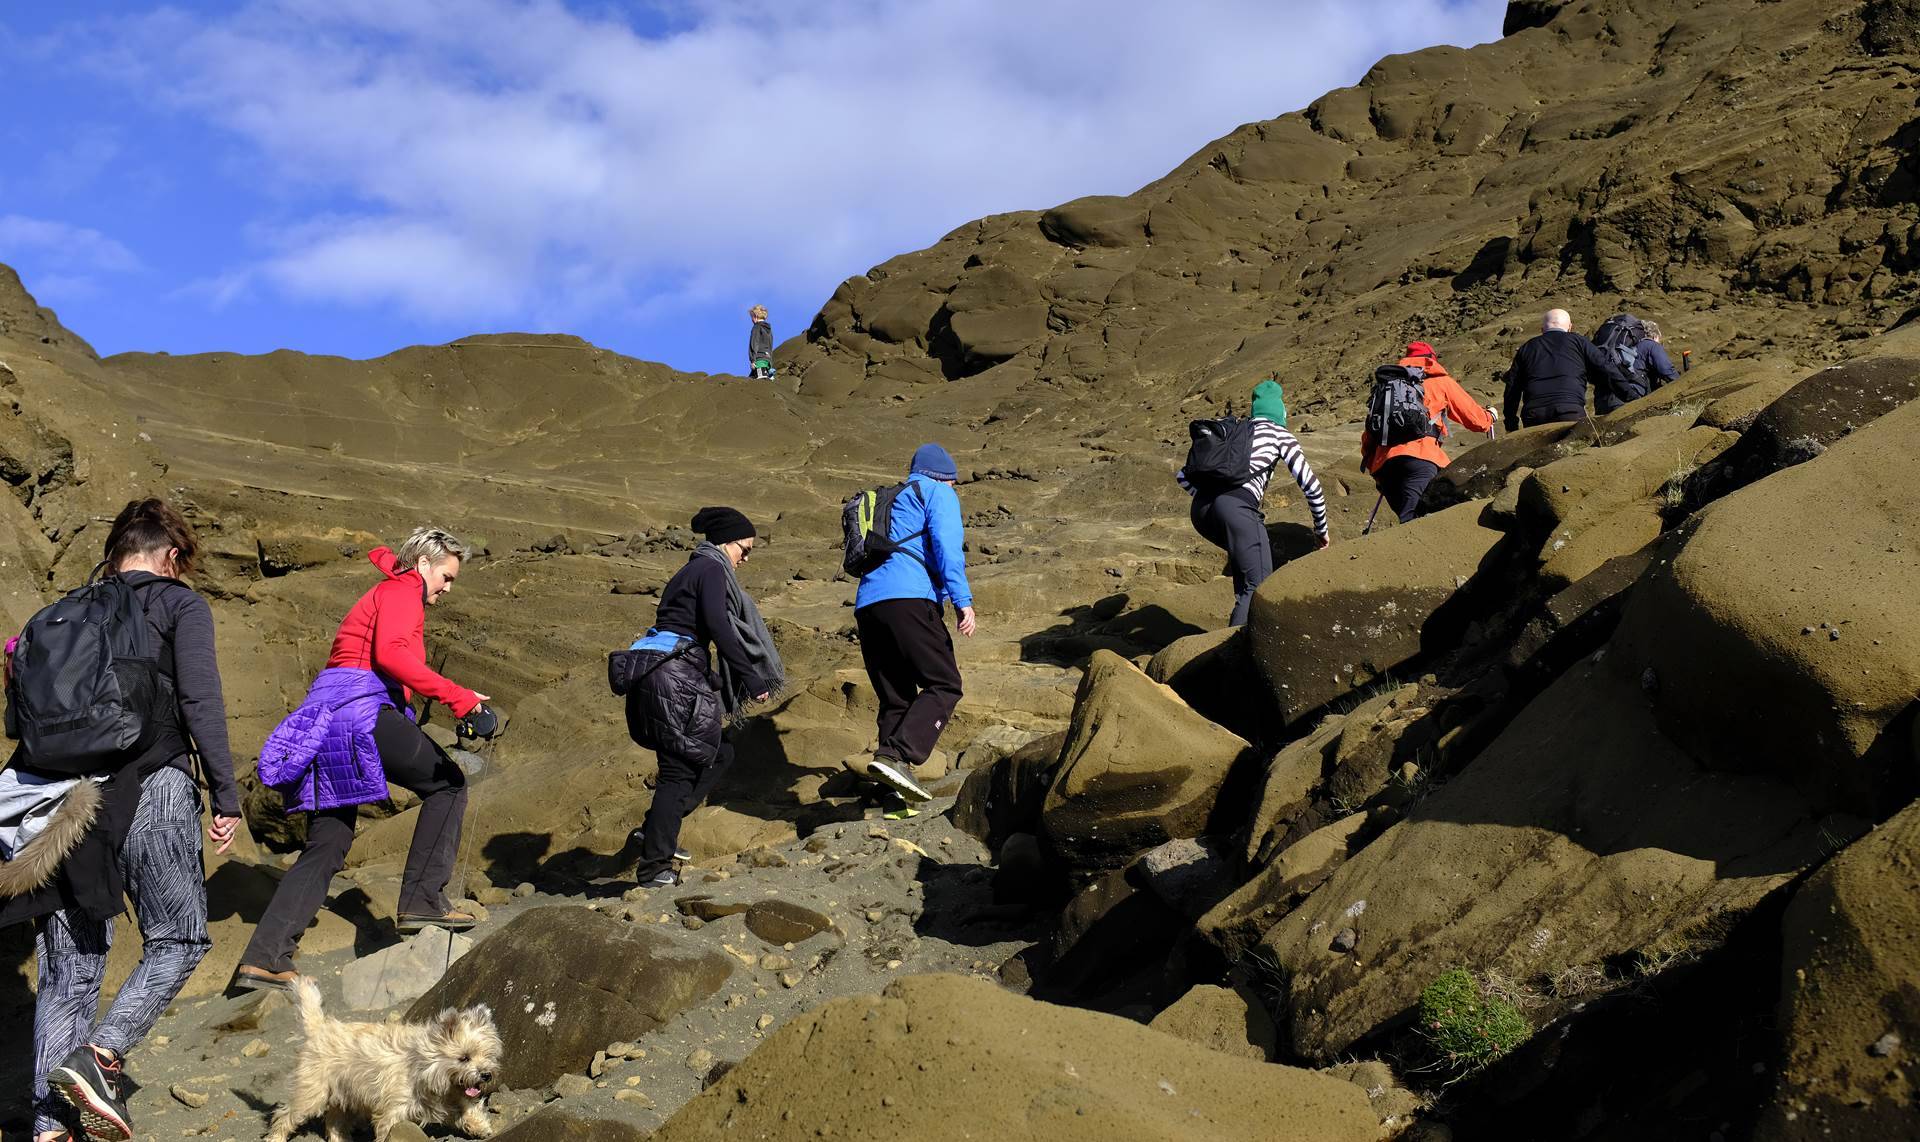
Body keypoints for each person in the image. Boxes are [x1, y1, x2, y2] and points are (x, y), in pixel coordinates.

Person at [14, 498, 242, 1142]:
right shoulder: (179, 605)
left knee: (69, 971)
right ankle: (102, 1055)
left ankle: (49, 1127)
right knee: (180, 938)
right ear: (171, 557)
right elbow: (200, 700)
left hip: (60, 805)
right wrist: (225, 795)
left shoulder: (56, 616)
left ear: (115, 553)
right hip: (153, 788)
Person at [236, 528, 495, 992]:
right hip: (359, 711)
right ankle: (422, 901)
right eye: (447, 577)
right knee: (449, 783)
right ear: (423, 565)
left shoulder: (387, 591)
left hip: (326, 718)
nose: (448, 588)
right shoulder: (401, 591)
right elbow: (391, 655)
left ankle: (265, 958)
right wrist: (461, 700)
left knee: (329, 843)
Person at [624, 507, 783, 888]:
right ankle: (653, 867)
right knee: (679, 771)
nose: (746, 557)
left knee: (719, 753)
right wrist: (751, 676)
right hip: (674, 678)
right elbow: (717, 625)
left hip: (664, 674)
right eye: (744, 549)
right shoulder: (711, 570)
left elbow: (686, 629)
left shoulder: (691, 570)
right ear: (725, 542)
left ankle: (656, 832)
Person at [853, 444, 975, 808]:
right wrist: (962, 601)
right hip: (910, 598)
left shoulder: (893, 497)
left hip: (868, 606)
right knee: (945, 683)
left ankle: (890, 799)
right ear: (947, 476)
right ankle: (896, 757)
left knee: (897, 698)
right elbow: (947, 546)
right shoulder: (938, 492)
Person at [1177, 380, 1330, 627]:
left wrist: (1209, 498)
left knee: (1245, 573)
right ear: (1280, 410)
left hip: (1202, 510)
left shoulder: (1237, 431)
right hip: (1237, 508)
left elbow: (1182, 476)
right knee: (1257, 585)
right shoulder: (1280, 434)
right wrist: (1321, 532)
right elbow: (1312, 487)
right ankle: (1236, 655)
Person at [1362, 342, 1495, 523]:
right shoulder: (1440, 381)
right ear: (1431, 359)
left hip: (1384, 466)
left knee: (1410, 518)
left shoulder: (1387, 386)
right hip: (1421, 458)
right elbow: (1475, 419)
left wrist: (1375, 469)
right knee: (1415, 522)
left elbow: (1370, 432)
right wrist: (1490, 417)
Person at [1502, 309, 1633, 431]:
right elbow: (1606, 368)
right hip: (1569, 409)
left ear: (1542, 329)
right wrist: (1631, 398)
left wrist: (1511, 423)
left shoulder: (1527, 347)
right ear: (1570, 327)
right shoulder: (1579, 341)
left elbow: (1512, 387)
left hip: (1534, 414)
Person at [748, 305, 774, 379]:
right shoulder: (769, 330)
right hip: (768, 360)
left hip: (759, 360)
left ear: (755, 316)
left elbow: (754, 344)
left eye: (752, 317)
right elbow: (770, 345)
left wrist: (753, 360)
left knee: (761, 382)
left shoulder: (756, 327)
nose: (751, 320)